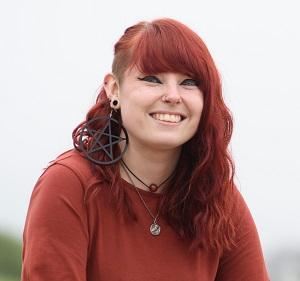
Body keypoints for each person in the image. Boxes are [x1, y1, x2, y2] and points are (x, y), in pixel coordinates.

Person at [21, 18, 269, 280]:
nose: (173, 96)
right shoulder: (69, 184)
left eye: (189, 82)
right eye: (152, 79)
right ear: (114, 88)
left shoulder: (218, 198)